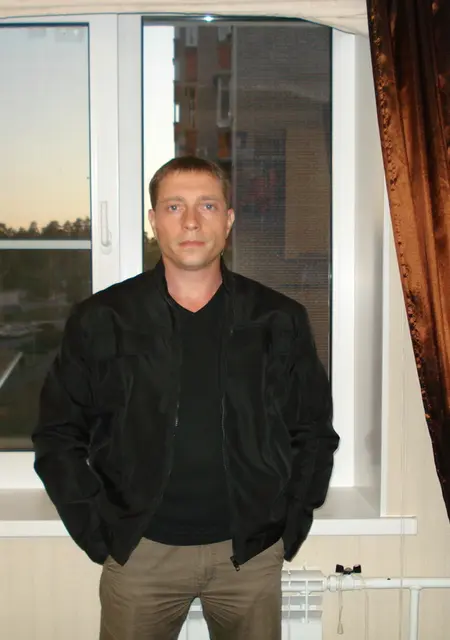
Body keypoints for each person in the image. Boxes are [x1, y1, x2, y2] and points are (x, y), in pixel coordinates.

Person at [32, 155, 339, 640]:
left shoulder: (278, 320)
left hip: (250, 555)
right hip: (140, 553)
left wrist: (289, 524)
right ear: (153, 221)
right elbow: (57, 435)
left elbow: (313, 433)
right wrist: (99, 533)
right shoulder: (102, 319)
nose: (191, 221)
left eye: (208, 205)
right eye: (174, 206)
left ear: (229, 221)